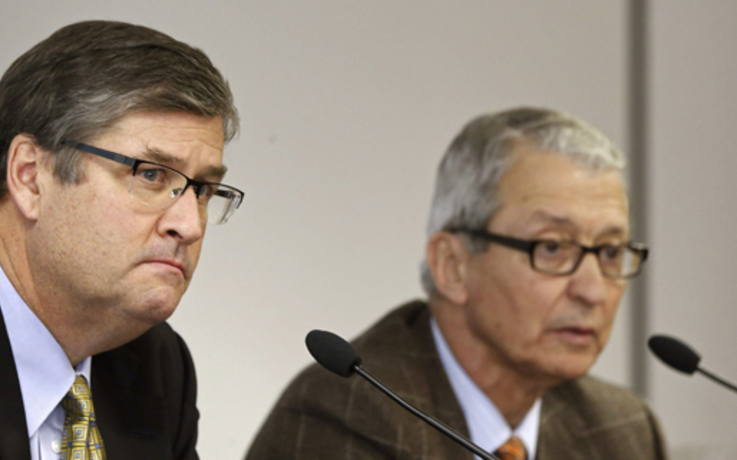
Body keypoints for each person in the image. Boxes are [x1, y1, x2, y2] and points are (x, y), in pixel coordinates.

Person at [245, 107, 666, 459]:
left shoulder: (624, 430)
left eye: (611, 252)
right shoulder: (345, 416)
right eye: (552, 247)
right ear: (452, 266)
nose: (593, 291)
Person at [0, 20, 243, 460]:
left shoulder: (157, 366)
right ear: (30, 176)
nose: (190, 226)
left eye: (204, 190)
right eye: (151, 175)